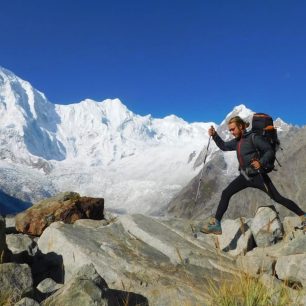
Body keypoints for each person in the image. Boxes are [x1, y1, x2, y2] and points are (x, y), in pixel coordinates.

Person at [201, 116, 306, 235]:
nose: (231, 132)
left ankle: (303, 215)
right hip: (245, 177)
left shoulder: (253, 138)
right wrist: (215, 135)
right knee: (226, 193)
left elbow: (269, 151)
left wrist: (260, 162)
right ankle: (217, 224)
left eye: (233, 129)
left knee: (277, 198)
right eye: (230, 130)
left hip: (258, 177)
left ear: (240, 126)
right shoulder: (237, 141)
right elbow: (224, 146)